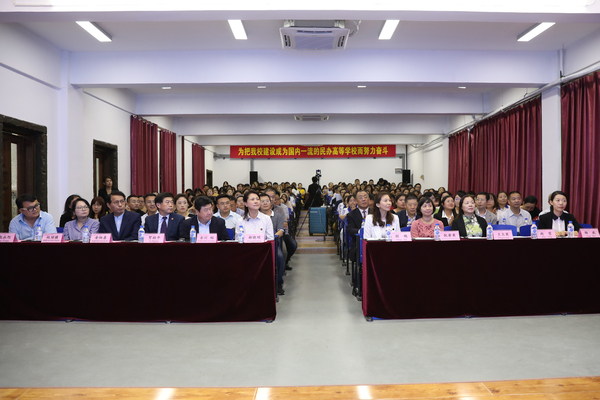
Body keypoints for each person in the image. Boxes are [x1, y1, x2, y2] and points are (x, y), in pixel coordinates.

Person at [346, 190, 371, 261]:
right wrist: (362, 231)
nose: (363, 199)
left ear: (369, 199)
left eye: (365, 197)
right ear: (356, 201)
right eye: (360, 197)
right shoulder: (351, 215)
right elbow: (351, 230)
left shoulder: (375, 212)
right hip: (358, 243)